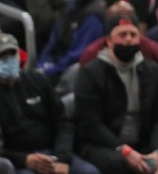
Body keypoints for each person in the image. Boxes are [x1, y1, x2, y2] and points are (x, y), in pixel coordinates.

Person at [75, 14, 158, 174]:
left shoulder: (153, 71)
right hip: (102, 145)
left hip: (142, 143)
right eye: (122, 35)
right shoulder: (90, 73)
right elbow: (90, 123)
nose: (128, 40)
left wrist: (157, 151)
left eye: (133, 35)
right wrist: (124, 150)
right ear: (109, 40)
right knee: (118, 164)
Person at [0, 33, 101, 174]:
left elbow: (63, 122)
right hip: (19, 161)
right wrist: (24, 159)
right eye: (3, 56)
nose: (9, 60)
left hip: (54, 152)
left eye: (12, 54)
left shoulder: (37, 80)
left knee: (89, 172)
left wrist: (62, 158)